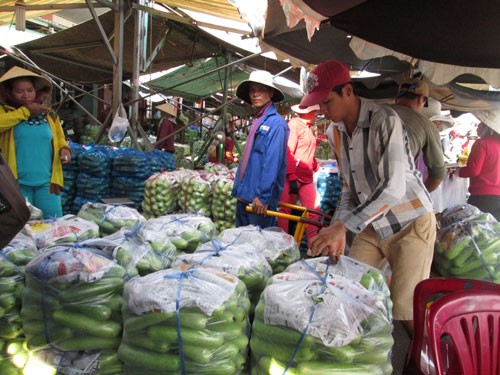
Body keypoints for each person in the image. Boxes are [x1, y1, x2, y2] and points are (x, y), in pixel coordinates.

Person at [304, 60, 436, 336]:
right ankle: (356, 356)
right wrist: (336, 230)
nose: (324, 111)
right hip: (371, 223)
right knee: (350, 289)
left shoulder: (384, 120)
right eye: (320, 105)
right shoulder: (334, 132)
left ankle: (424, 362)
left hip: (409, 223)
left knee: (406, 309)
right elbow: (348, 190)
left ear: (348, 91)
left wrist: (343, 227)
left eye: (327, 102)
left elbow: (393, 189)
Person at [0, 66, 71, 218]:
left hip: (47, 184)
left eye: (30, 90)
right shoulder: (5, 112)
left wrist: (64, 149)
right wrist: (26, 112)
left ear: (36, 91)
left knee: (54, 227)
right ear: (9, 93)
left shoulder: (49, 115)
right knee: (22, 232)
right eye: (19, 91)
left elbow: (59, 138)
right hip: (15, 185)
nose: (25, 95)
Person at [232, 70, 289, 228]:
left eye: (261, 89)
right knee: (240, 245)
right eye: (252, 90)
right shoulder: (258, 119)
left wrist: (263, 197)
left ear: (270, 93)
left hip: (258, 200)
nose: (255, 94)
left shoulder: (276, 124)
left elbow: (272, 162)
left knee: (256, 247)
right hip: (245, 195)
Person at [392, 79, 446, 192]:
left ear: (397, 97)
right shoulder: (425, 124)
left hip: (359, 190)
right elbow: (438, 174)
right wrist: (421, 194)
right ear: (422, 99)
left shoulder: (374, 112)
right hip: (396, 191)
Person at [278, 104, 321, 243]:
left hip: (306, 178)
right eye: (314, 112)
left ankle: (313, 245)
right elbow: (288, 151)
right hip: (293, 177)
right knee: (285, 212)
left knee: (314, 211)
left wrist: (315, 165)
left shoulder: (308, 128)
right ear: (306, 112)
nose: (316, 114)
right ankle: (283, 247)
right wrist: (291, 178)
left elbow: (307, 151)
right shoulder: (294, 125)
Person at [458, 110, 500, 220]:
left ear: (488, 127)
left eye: (480, 124)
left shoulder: (482, 143)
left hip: (482, 196)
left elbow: (473, 170)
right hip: (498, 197)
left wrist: (458, 171)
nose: (477, 127)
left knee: (474, 231)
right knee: (494, 233)